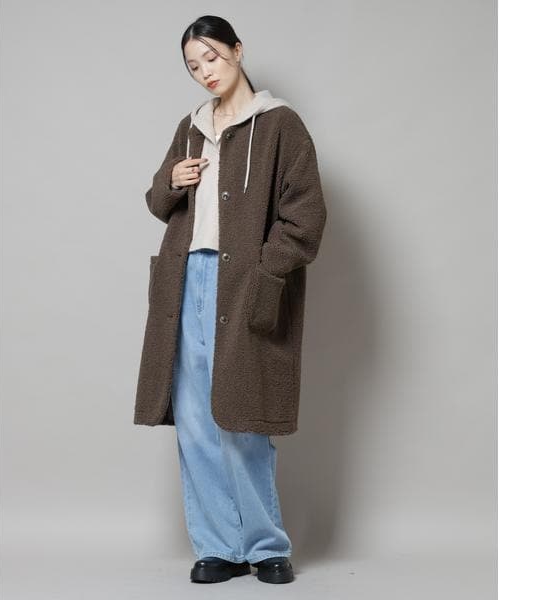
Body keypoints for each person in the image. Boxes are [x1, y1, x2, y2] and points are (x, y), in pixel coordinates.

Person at [134, 15, 327, 585]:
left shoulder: (280, 124)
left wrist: (266, 273)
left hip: (244, 282)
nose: (205, 72)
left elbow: (305, 217)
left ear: (238, 51)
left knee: (241, 417)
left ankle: (266, 546)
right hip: (186, 280)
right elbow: (156, 202)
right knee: (195, 421)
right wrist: (173, 179)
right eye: (194, 66)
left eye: (212, 57)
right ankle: (218, 545)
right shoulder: (190, 127)